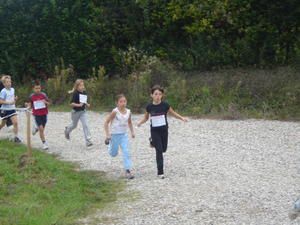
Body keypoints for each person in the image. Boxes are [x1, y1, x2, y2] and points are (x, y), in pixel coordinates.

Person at [137, 85, 188, 179]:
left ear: (162, 95)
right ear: (151, 95)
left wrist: (182, 118)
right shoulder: (149, 107)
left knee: (164, 149)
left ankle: (152, 142)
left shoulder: (165, 105)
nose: (158, 96)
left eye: (160, 94)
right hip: (154, 131)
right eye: (156, 94)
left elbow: (173, 113)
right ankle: (160, 172)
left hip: (164, 130)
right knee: (159, 150)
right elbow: (146, 117)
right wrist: (140, 123)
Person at [104, 94, 135, 179]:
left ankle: (128, 171)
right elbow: (106, 122)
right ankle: (109, 146)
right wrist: (107, 135)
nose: (123, 103)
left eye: (124, 101)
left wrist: (132, 132)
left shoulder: (128, 112)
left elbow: (129, 122)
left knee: (126, 152)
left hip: (124, 135)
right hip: (114, 135)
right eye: (121, 101)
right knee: (113, 153)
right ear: (117, 103)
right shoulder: (115, 112)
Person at [64, 79, 93, 147]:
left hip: (83, 112)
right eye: (80, 86)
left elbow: (83, 101)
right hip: (75, 112)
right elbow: (71, 104)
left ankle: (88, 141)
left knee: (86, 125)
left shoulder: (84, 92)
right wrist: (78, 105)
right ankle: (67, 130)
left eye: (83, 85)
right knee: (74, 125)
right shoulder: (75, 94)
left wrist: (87, 104)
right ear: (77, 87)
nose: (82, 87)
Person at [27, 81, 50, 150]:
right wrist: (28, 106)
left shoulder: (43, 95)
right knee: (41, 129)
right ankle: (44, 143)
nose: (38, 90)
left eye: (39, 88)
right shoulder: (31, 96)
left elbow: (49, 103)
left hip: (44, 114)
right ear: (33, 89)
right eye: (36, 88)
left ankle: (36, 128)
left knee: (42, 128)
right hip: (37, 115)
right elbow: (30, 105)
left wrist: (45, 102)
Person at [0, 76, 21, 143]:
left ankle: (16, 137)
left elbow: (13, 101)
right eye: (7, 82)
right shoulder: (3, 91)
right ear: (4, 84)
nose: (9, 83)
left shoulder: (13, 89)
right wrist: (9, 102)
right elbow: (1, 101)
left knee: (15, 123)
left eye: (10, 82)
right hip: (4, 110)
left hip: (12, 109)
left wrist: (15, 99)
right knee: (2, 124)